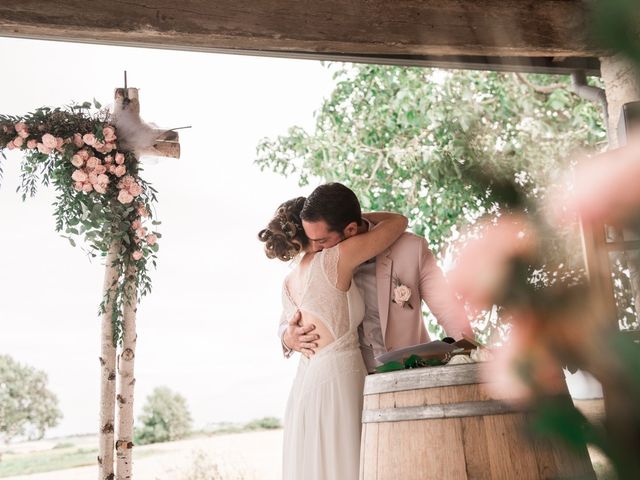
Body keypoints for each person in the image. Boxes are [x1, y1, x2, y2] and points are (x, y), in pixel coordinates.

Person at [259, 196, 407, 480]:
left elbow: (285, 325)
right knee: (348, 463)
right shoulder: (335, 258)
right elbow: (398, 222)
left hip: (306, 384)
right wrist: (352, 217)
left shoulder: (288, 282)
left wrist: (287, 337)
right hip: (339, 378)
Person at [279, 183, 472, 373]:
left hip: (413, 375)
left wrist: (473, 355)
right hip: (353, 383)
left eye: (321, 241)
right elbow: (290, 317)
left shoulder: (412, 249)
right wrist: (288, 337)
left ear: (351, 230)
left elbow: (448, 310)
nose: (314, 248)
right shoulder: (319, 262)